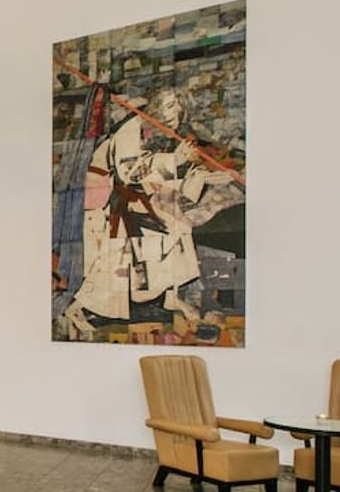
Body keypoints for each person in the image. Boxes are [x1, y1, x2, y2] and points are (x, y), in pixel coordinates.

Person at [62, 87, 236, 335]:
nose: (174, 116)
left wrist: (209, 177)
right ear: (156, 106)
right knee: (115, 264)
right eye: (169, 107)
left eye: (179, 111)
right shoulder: (132, 128)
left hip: (143, 196)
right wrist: (174, 160)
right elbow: (129, 171)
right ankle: (78, 309)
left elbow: (175, 173)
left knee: (177, 231)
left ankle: (171, 297)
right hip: (111, 200)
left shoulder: (162, 132)